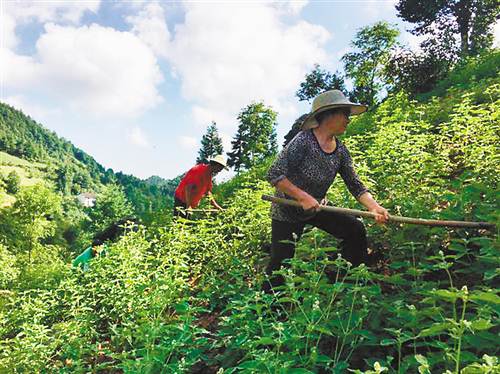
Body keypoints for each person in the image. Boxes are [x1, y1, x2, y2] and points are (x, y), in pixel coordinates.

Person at [263, 89, 389, 293]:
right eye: (344, 114)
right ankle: (270, 310)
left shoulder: (340, 151)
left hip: (317, 207)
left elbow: (355, 184)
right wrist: (302, 197)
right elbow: (275, 174)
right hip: (287, 210)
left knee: (354, 229)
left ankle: (349, 284)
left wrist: (375, 207)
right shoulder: (304, 141)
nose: (348, 119)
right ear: (328, 115)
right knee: (280, 263)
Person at [72, 217, 138, 271]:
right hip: (75, 268)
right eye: (95, 252)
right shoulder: (87, 256)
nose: (97, 254)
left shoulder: (104, 247)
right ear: (92, 249)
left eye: (98, 251)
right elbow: (86, 271)